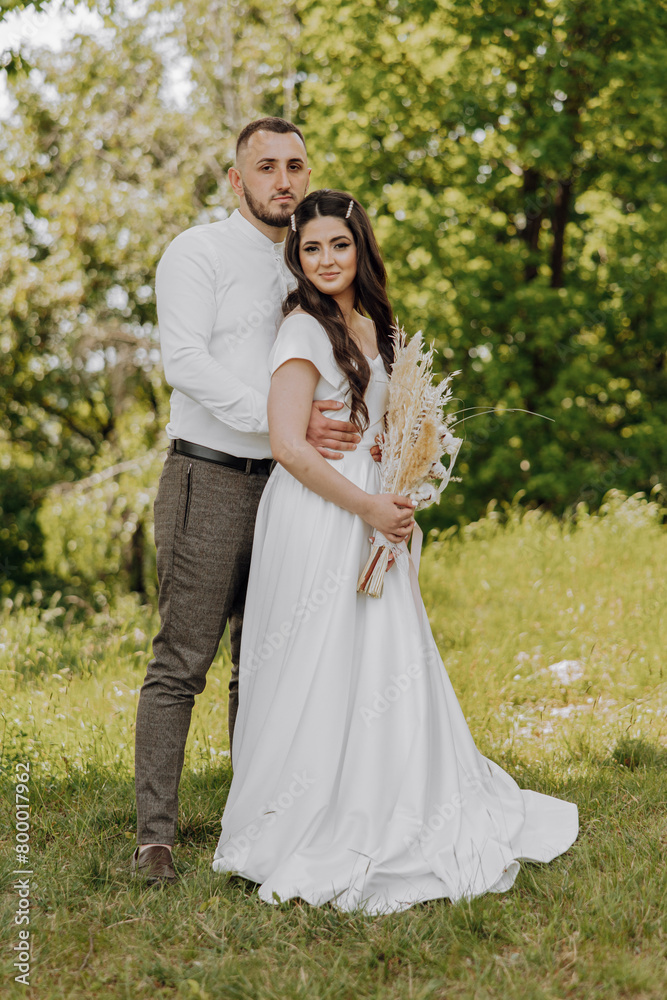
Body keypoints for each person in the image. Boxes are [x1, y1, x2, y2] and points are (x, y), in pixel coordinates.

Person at [211, 189, 578, 914]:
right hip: (320, 514)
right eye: (310, 248)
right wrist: (369, 504)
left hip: (378, 505)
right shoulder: (301, 331)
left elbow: (391, 417)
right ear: (297, 255)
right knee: (317, 656)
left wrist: (398, 474)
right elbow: (287, 444)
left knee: (383, 656)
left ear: (360, 249)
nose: (324, 260)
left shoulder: (375, 323)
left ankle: (397, 792)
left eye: (337, 246)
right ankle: (304, 814)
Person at [132, 120, 373, 885]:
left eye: (294, 165)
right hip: (207, 477)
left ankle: (260, 821)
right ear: (236, 180)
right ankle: (155, 837)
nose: (283, 179)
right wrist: (284, 424)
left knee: (266, 662)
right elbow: (186, 362)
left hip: (290, 490)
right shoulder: (195, 252)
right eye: (265, 167)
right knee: (183, 661)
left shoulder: (311, 264)